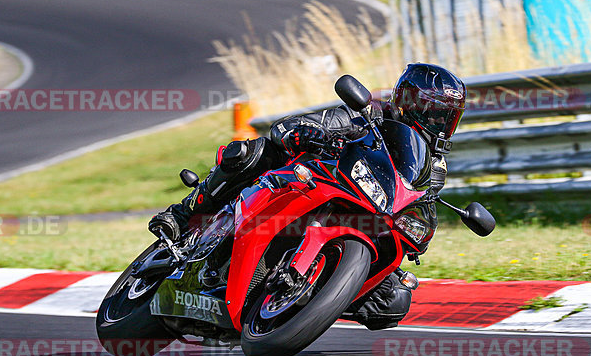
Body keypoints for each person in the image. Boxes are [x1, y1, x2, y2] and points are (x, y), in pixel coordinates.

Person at [149, 63, 466, 329]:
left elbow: (414, 207)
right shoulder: (365, 117)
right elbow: (290, 128)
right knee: (252, 152)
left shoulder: (432, 169)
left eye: (446, 116)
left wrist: (415, 228)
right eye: (431, 111)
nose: (437, 122)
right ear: (406, 101)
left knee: (394, 299)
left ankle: (308, 299)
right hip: (307, 183)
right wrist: (304, 132)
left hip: (366, 219)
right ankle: (183, 213)